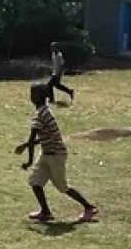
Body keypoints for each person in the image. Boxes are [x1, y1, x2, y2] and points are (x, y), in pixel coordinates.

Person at [15, 82, 98, 223]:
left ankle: (89, 208)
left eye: (33, 94)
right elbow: (45, 137)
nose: (31, 97)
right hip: (47, 153)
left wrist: (28, 160)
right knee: (35, 182)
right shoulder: (45, 112)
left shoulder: (41, 115)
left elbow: (32, 139)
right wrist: (26, 145)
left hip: (55, 155)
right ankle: (45, 212)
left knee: (62, 186)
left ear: (37, 97)